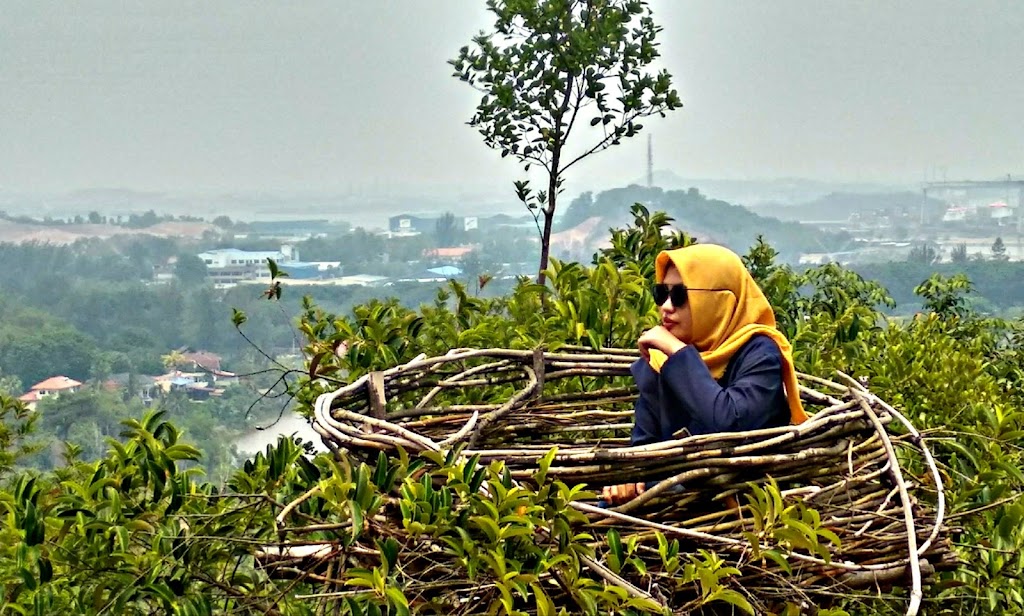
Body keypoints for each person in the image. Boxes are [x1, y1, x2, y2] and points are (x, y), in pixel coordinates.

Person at [602, 244, 808, 505]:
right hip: (674, 503)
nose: (666, 306)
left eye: (679, 296)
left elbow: (729, 424)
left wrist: (677, 352)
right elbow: (645, 445)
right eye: (661, 293)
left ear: (719, 300)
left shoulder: (759, 353)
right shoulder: (659, 361)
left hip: (745, 511)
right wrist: (629, 478)